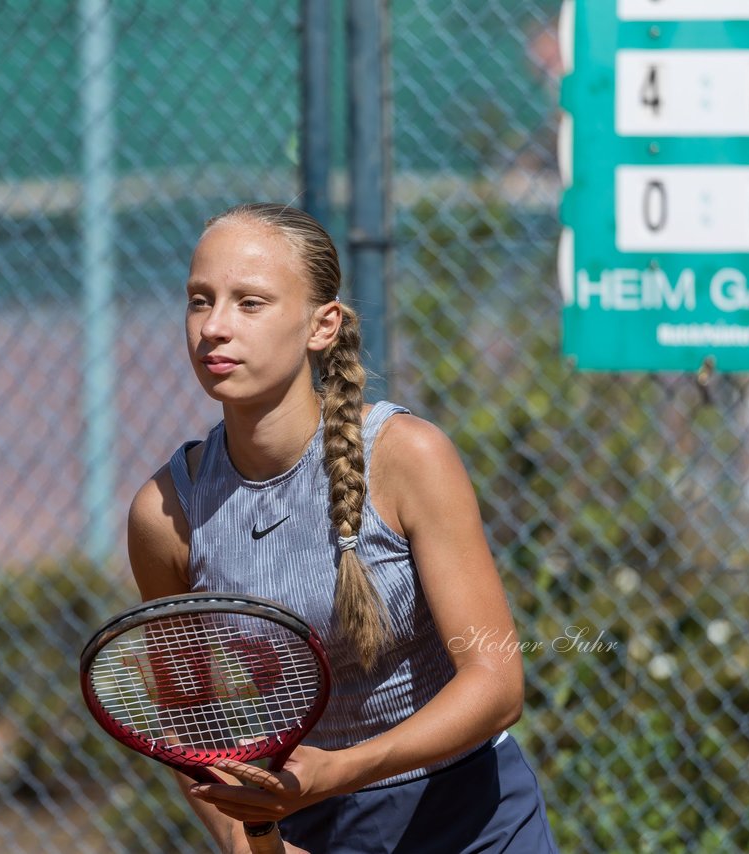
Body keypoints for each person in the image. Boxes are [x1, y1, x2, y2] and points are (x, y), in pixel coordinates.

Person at [126, 202, 558, 853]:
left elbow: (496, 686)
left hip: (473, 818)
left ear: (321, 326)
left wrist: (339, 771)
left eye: (250, 303)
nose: (214, 327)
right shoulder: (165, 514)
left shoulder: (409, 457)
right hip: (309, 825)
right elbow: (193, 719)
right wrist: (242, 840)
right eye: (199, 300)